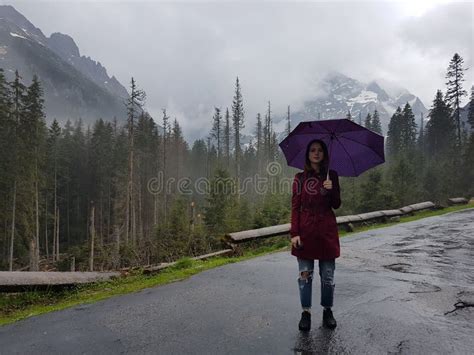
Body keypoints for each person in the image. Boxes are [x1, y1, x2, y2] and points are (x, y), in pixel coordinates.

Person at [290, 139, 341, 331]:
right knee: (305, 275)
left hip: (327, 231)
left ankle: (328, 310)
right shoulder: (300, 178)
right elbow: (295, 207)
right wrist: (294, 233)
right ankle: (306, 312)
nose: (316, 153)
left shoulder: (332, 176)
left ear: (324, 154)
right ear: (308, 154)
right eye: (312, 150)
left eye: (320, 150)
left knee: (327, 275)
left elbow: (336, 204)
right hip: (305, 232)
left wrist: (331, 189)